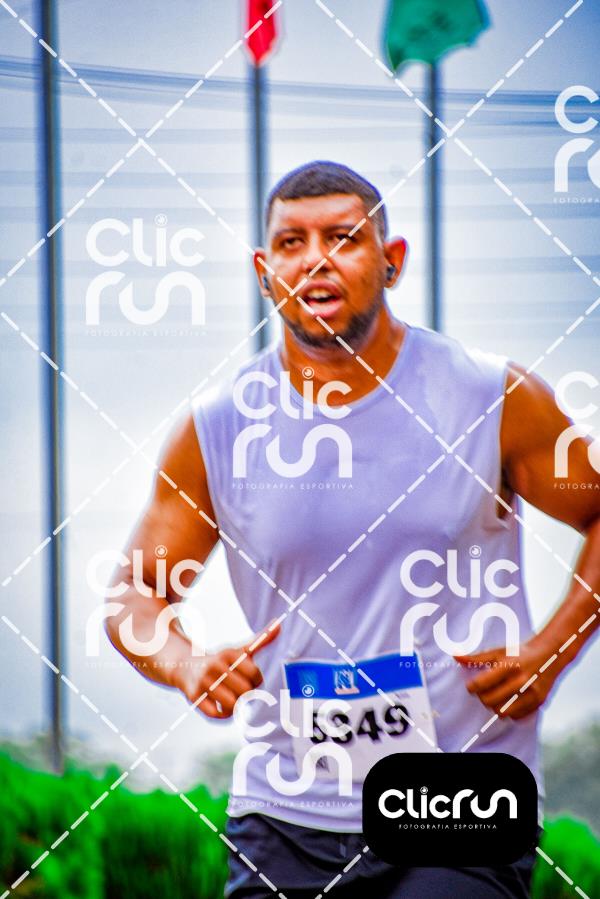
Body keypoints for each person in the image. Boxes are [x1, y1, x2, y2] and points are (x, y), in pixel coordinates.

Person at [105, 161, 600, 897]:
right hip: (285, 808)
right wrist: (184, 662)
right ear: (265, 272)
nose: (317, 260)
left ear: (391, 261)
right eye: (292, 243)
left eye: (343, 238)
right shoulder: (218, 427)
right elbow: (135, 593)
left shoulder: (491, 395)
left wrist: (554, 647)